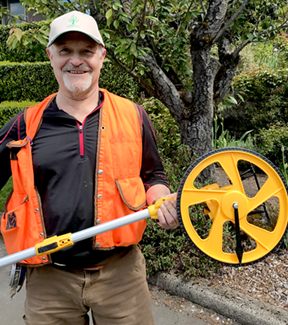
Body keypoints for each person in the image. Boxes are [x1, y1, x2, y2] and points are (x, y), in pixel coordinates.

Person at [0, 10, 179, 325]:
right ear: (51, 55)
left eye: (86, 51)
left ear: (102, 55)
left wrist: (160, 200)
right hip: (49, 282)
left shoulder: (133, 115)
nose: (76, 60)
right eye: (65, 50)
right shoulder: (25, 124)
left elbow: (154, 177)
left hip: (121, 276)